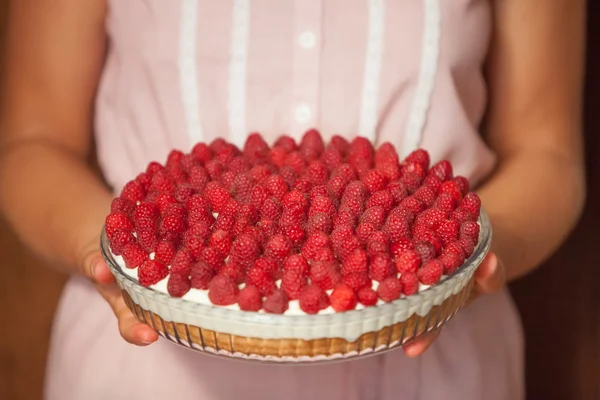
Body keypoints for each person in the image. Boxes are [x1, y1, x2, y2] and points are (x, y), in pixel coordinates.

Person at [0, 1, 585, 399]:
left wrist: (472, 256)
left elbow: (548, 151)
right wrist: (104, 253)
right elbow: (31, 142)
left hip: (439, 372)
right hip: (145, 377)